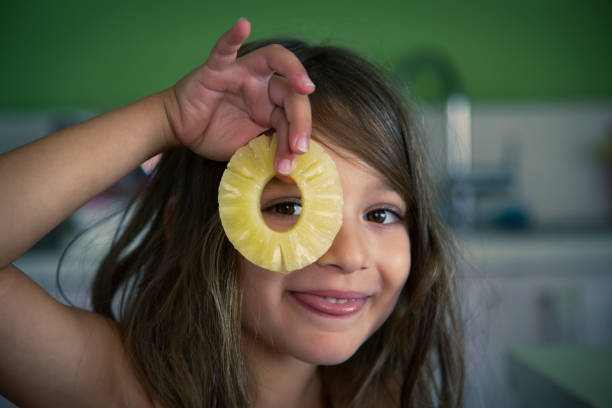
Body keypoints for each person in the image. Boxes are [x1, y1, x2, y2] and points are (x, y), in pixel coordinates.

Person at [0, 18, 464, 407]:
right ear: (183, 226)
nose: (348, 255)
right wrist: (165, 118)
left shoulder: (382, 395)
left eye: (381, 214)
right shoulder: (117, 387)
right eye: (287, 206)